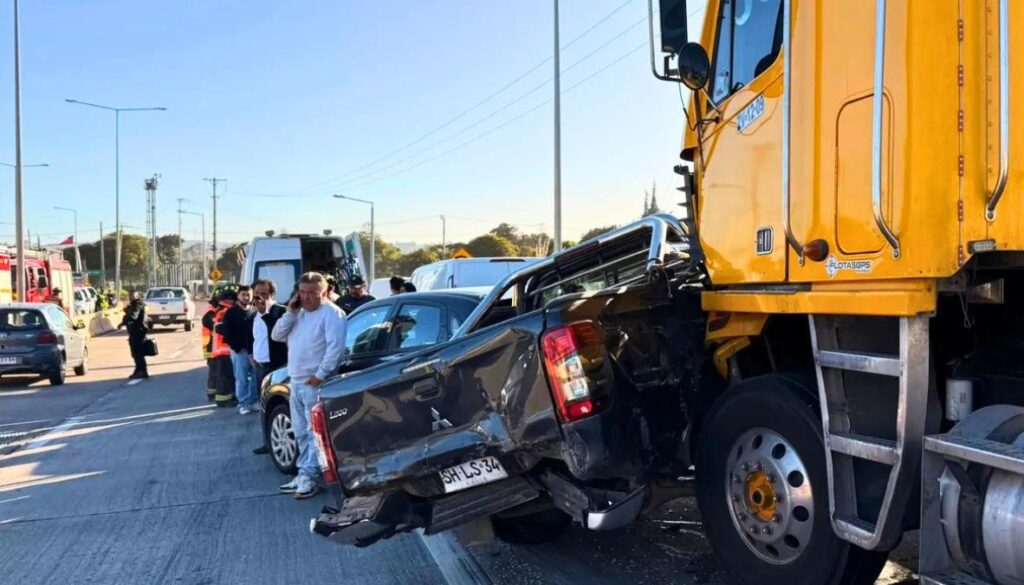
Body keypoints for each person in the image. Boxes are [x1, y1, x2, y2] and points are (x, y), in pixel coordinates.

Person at [272, 272, 347, 499]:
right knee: (301, 432)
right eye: (302, 292)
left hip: (315, 384)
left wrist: (321, 375)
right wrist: (290, 312)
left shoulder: (333, 314)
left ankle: (310, 475)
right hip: (296, 381)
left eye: (312, 293)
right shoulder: (298, 313)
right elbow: (277, 335)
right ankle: (304, 472)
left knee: (315, 434)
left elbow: (335, 349)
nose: (306, 298)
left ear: (323, 292)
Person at [222, 285, 258, 414]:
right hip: (240, 351)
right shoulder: (231, 313)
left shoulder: (255, 311)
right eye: (243, 295)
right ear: (238, 296)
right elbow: (226, 332)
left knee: (255, 377)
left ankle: (253, 401)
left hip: (254, 352)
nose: (246, 297)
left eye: (248, 295)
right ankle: (242, 403)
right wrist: (236, 348)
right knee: (241, 378)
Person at [251, 279, 287, 390]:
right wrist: (251, 355)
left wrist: (264, 314)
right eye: (256, 293)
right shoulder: (254, 315)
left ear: (271, 294)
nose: (259, 297)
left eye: (263, 294)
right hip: (258, 365)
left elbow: (277, 334)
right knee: (261, 399)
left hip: (276, 365)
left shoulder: (281, 311)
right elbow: (253, 337)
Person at [211, 290, 237, 407]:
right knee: (225, 376)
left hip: (221, 349)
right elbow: (221, 329)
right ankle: (223, 400)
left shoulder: (220, 310)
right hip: (224, 349)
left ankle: (225, 398)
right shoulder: (225, 312)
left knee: (224, 375)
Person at [119, 292, 150, 379]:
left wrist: (126, 318)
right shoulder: (135, 305)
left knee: (138, 352)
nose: (131, 297)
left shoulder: (138, 305)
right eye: (130, 296)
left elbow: (133, 316)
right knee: (135, 352)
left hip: (138, 331)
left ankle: (142, 371)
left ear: (137, 296)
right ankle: (138, 370)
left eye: (132, 296)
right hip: (135, 331)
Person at [200, 295, 219, 402]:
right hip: (213, 348)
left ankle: (212, 392)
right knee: (214, 372)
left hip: (211, 347)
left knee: (213, 372)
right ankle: (212, 393)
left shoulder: (210, 313)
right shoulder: (211, 315)